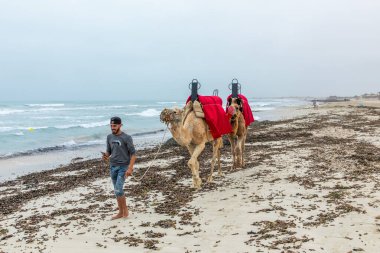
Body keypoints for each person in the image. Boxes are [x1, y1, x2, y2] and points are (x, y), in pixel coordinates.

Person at [102, 116, 136, 220]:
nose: (113, 128)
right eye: (111, 125)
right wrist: (106, 155)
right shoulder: (109, 137)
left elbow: (133, 154)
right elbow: (109, 151)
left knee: (118, 189)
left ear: (120, 125)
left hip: (123, 167)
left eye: (115, 126)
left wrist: (130, 168)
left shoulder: (127, 138)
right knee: (117, 190)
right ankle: (123, 211)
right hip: (112, 166)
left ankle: (122, 212)